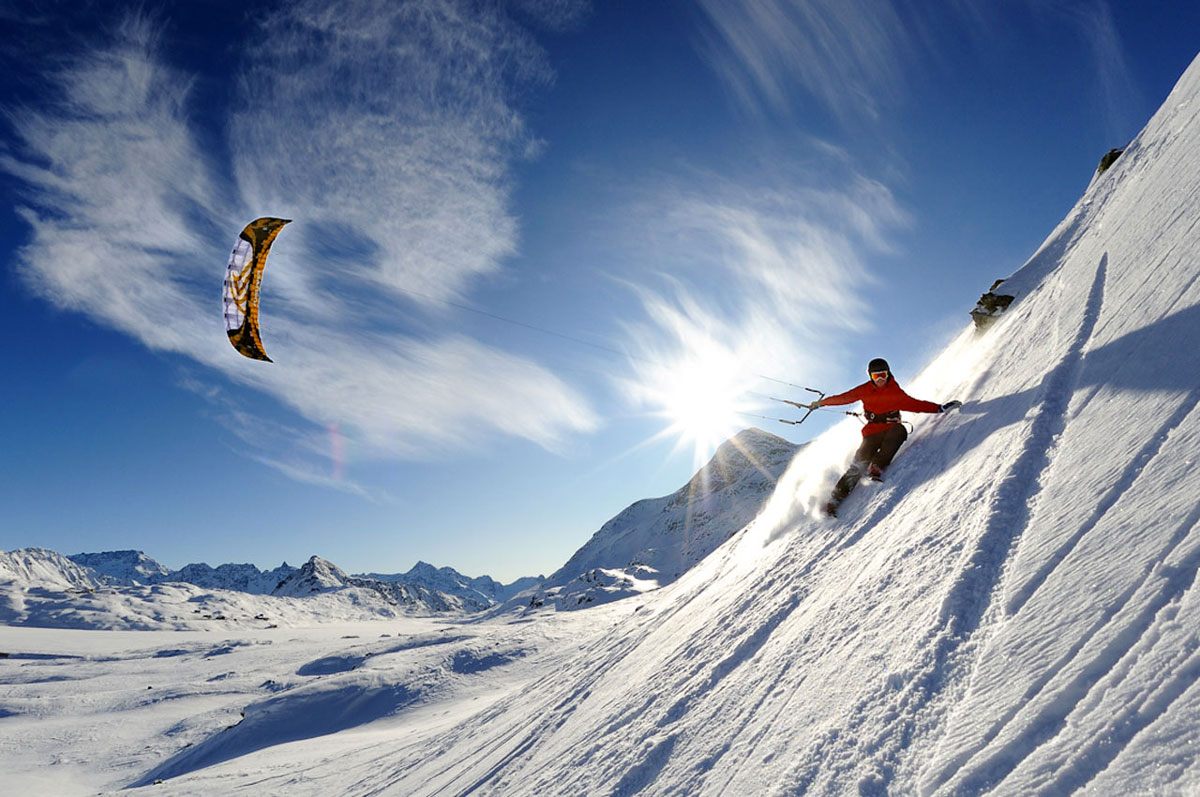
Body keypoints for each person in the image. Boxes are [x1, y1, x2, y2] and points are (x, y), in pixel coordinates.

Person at [806, 358, 961, 516]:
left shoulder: (895, 392)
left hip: (891, 430)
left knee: (900, 431)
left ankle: (877, 465)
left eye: (883, 375)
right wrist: (822, 403)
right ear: (870, 377)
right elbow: (844, 398)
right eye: (876, 376)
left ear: (888, 374)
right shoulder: (864, 390)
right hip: (871, 433)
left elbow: (916, 404)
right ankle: (835, 500)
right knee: (859, 464)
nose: (880, 379)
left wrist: (940, 408)